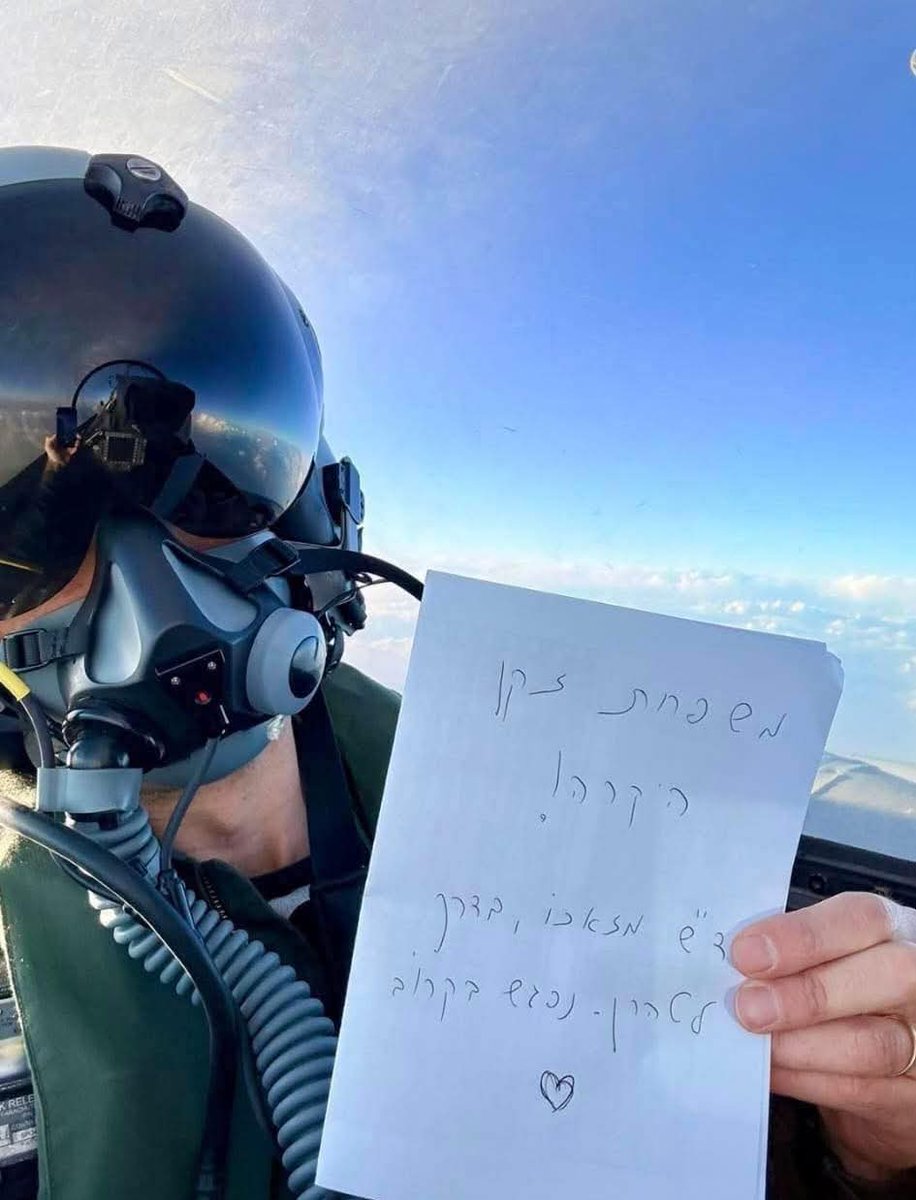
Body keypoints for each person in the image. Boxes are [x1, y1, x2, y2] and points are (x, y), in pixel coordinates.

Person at [0, 147, 911, 1200]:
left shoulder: (625, 840)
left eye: (203, 476)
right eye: (30, 518)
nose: (140, 575)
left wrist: (873, 1155)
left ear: (315, 515)